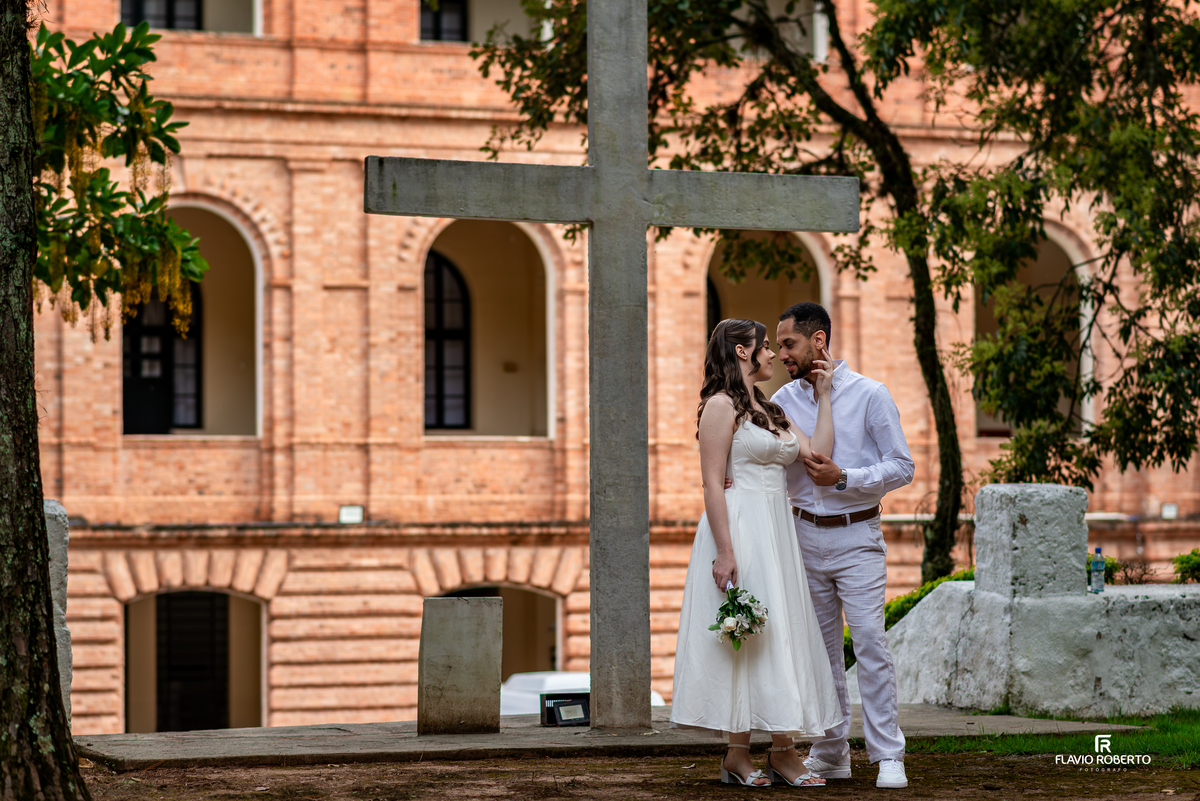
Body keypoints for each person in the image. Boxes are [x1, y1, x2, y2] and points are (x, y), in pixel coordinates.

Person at [671, 318, 841, 787]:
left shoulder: (772, 410)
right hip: (740, 526)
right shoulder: (720, 407)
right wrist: (725, 551)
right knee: (746, 637)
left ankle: (784, 751)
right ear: (743, 353)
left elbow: (818, 459)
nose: (773, 355)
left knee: (781, 631)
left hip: (778, 532)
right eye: (766, 347)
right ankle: (737, 754)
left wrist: (824, 396)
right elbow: (710, 480)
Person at [771, 302, 915, 790]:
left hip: (857, 536)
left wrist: (846, 477)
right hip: (803, 536)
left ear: (818, 341)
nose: (782, 353)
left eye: (788, 343)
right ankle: (831, 752)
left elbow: (902, 466)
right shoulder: (784, 400)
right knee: (821, 653)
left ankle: (888, 754)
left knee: (871, 641)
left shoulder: (871, 394)